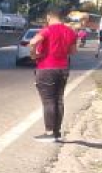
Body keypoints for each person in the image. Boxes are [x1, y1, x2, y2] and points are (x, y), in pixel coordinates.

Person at [28, 8, 78, 142]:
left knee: (48, 101)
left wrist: (34, 54)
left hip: (46, 68)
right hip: (63, 68)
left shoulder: (47, 30)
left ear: (49, 17)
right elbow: (73, 52)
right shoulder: (71, 31)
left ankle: (49, 133)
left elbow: (33, 42)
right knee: (59, 100)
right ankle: (56, 132)